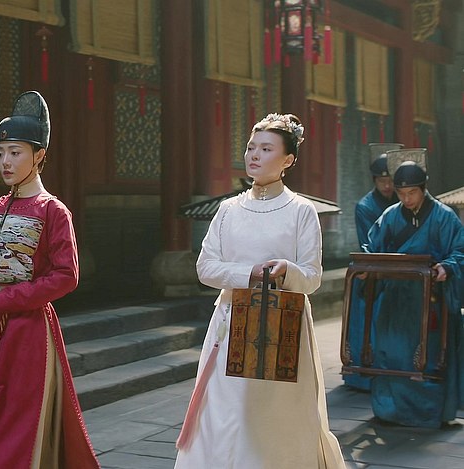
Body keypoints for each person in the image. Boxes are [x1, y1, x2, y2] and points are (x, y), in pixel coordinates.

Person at [0, 91, 100, 469]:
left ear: (39, 156)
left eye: (15, 152)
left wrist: (1, 301)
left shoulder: (52, 210)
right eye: (0, 153)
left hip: (26, 330)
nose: (5, 162)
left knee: (15, 415)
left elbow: (66, 276)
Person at [173, 113, 345, 468]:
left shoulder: (301, 211)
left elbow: (312, 277)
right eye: (252, 147)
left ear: (288, 160)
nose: (254, 155)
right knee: (226, 410)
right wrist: (248, 273)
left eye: (267, 149)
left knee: (276, 415)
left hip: (283, 327)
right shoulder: (228, 210)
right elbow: (206, 268)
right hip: (231, 322)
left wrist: (288, 271)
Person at [363, 148, 464, 428]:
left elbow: (460, 250)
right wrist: (368, 266)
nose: (406, 199)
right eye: (401, 193)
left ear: (424, 189)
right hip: (395, 298)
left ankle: (428, 413)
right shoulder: (390, 216)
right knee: (391, 351)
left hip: (428, 297)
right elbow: (371, 247)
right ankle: (390, 410)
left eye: (412, 193)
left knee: (427, 355)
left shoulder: (444, 216)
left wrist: (447, 267)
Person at [343, 143, 403, 391]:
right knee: (368, 321)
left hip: (399, 266)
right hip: (373, 268)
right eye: (381, 181)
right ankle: (363, 373)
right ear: (375, 181)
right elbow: (370, 242)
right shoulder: (365, 206)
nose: (387, 186)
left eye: (390, 181)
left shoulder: (403, 200)